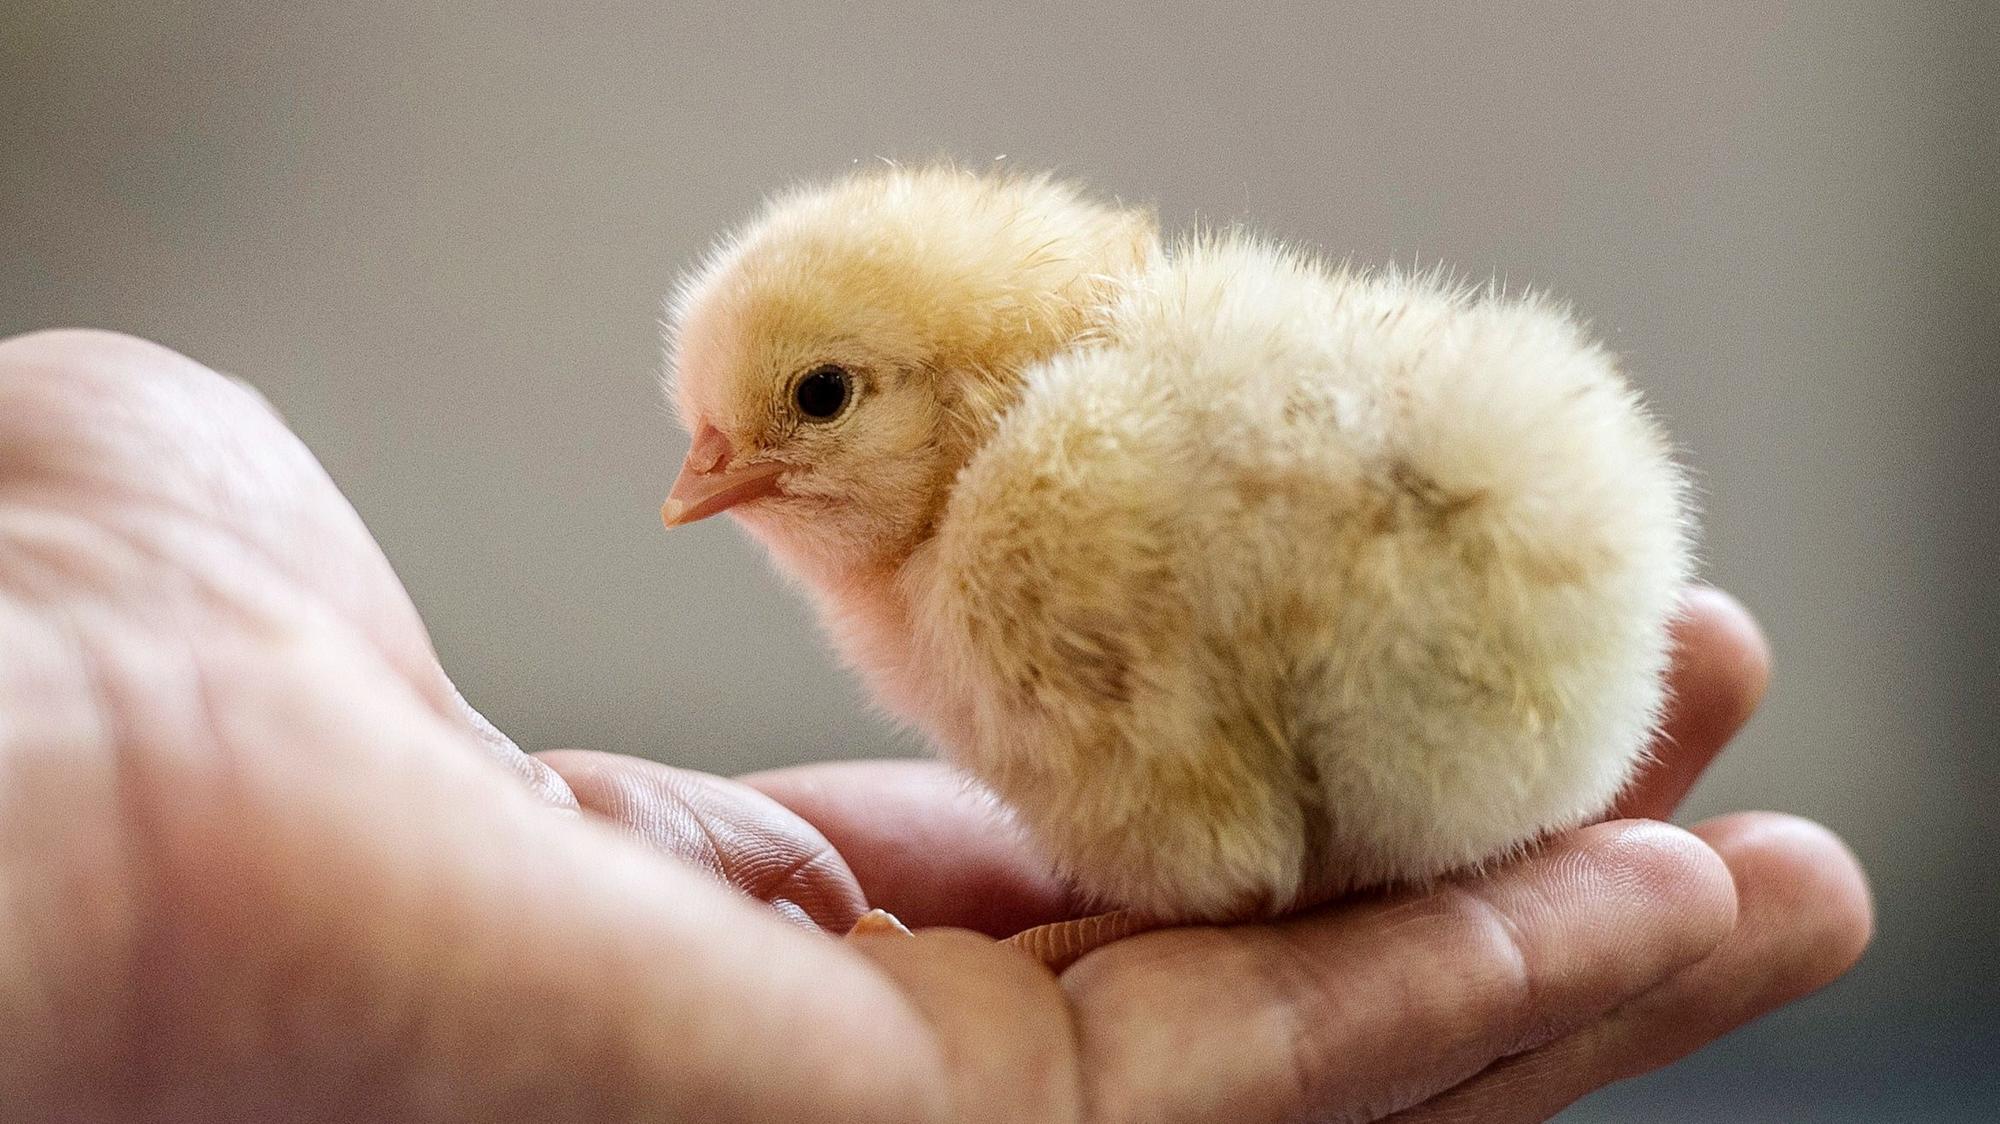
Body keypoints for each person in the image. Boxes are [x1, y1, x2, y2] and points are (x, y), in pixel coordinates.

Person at [0, 329, 1871, 1123]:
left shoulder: (1029, 516)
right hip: (1533, 714)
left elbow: (1209, 839)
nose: (718, 471)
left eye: (804, 402)